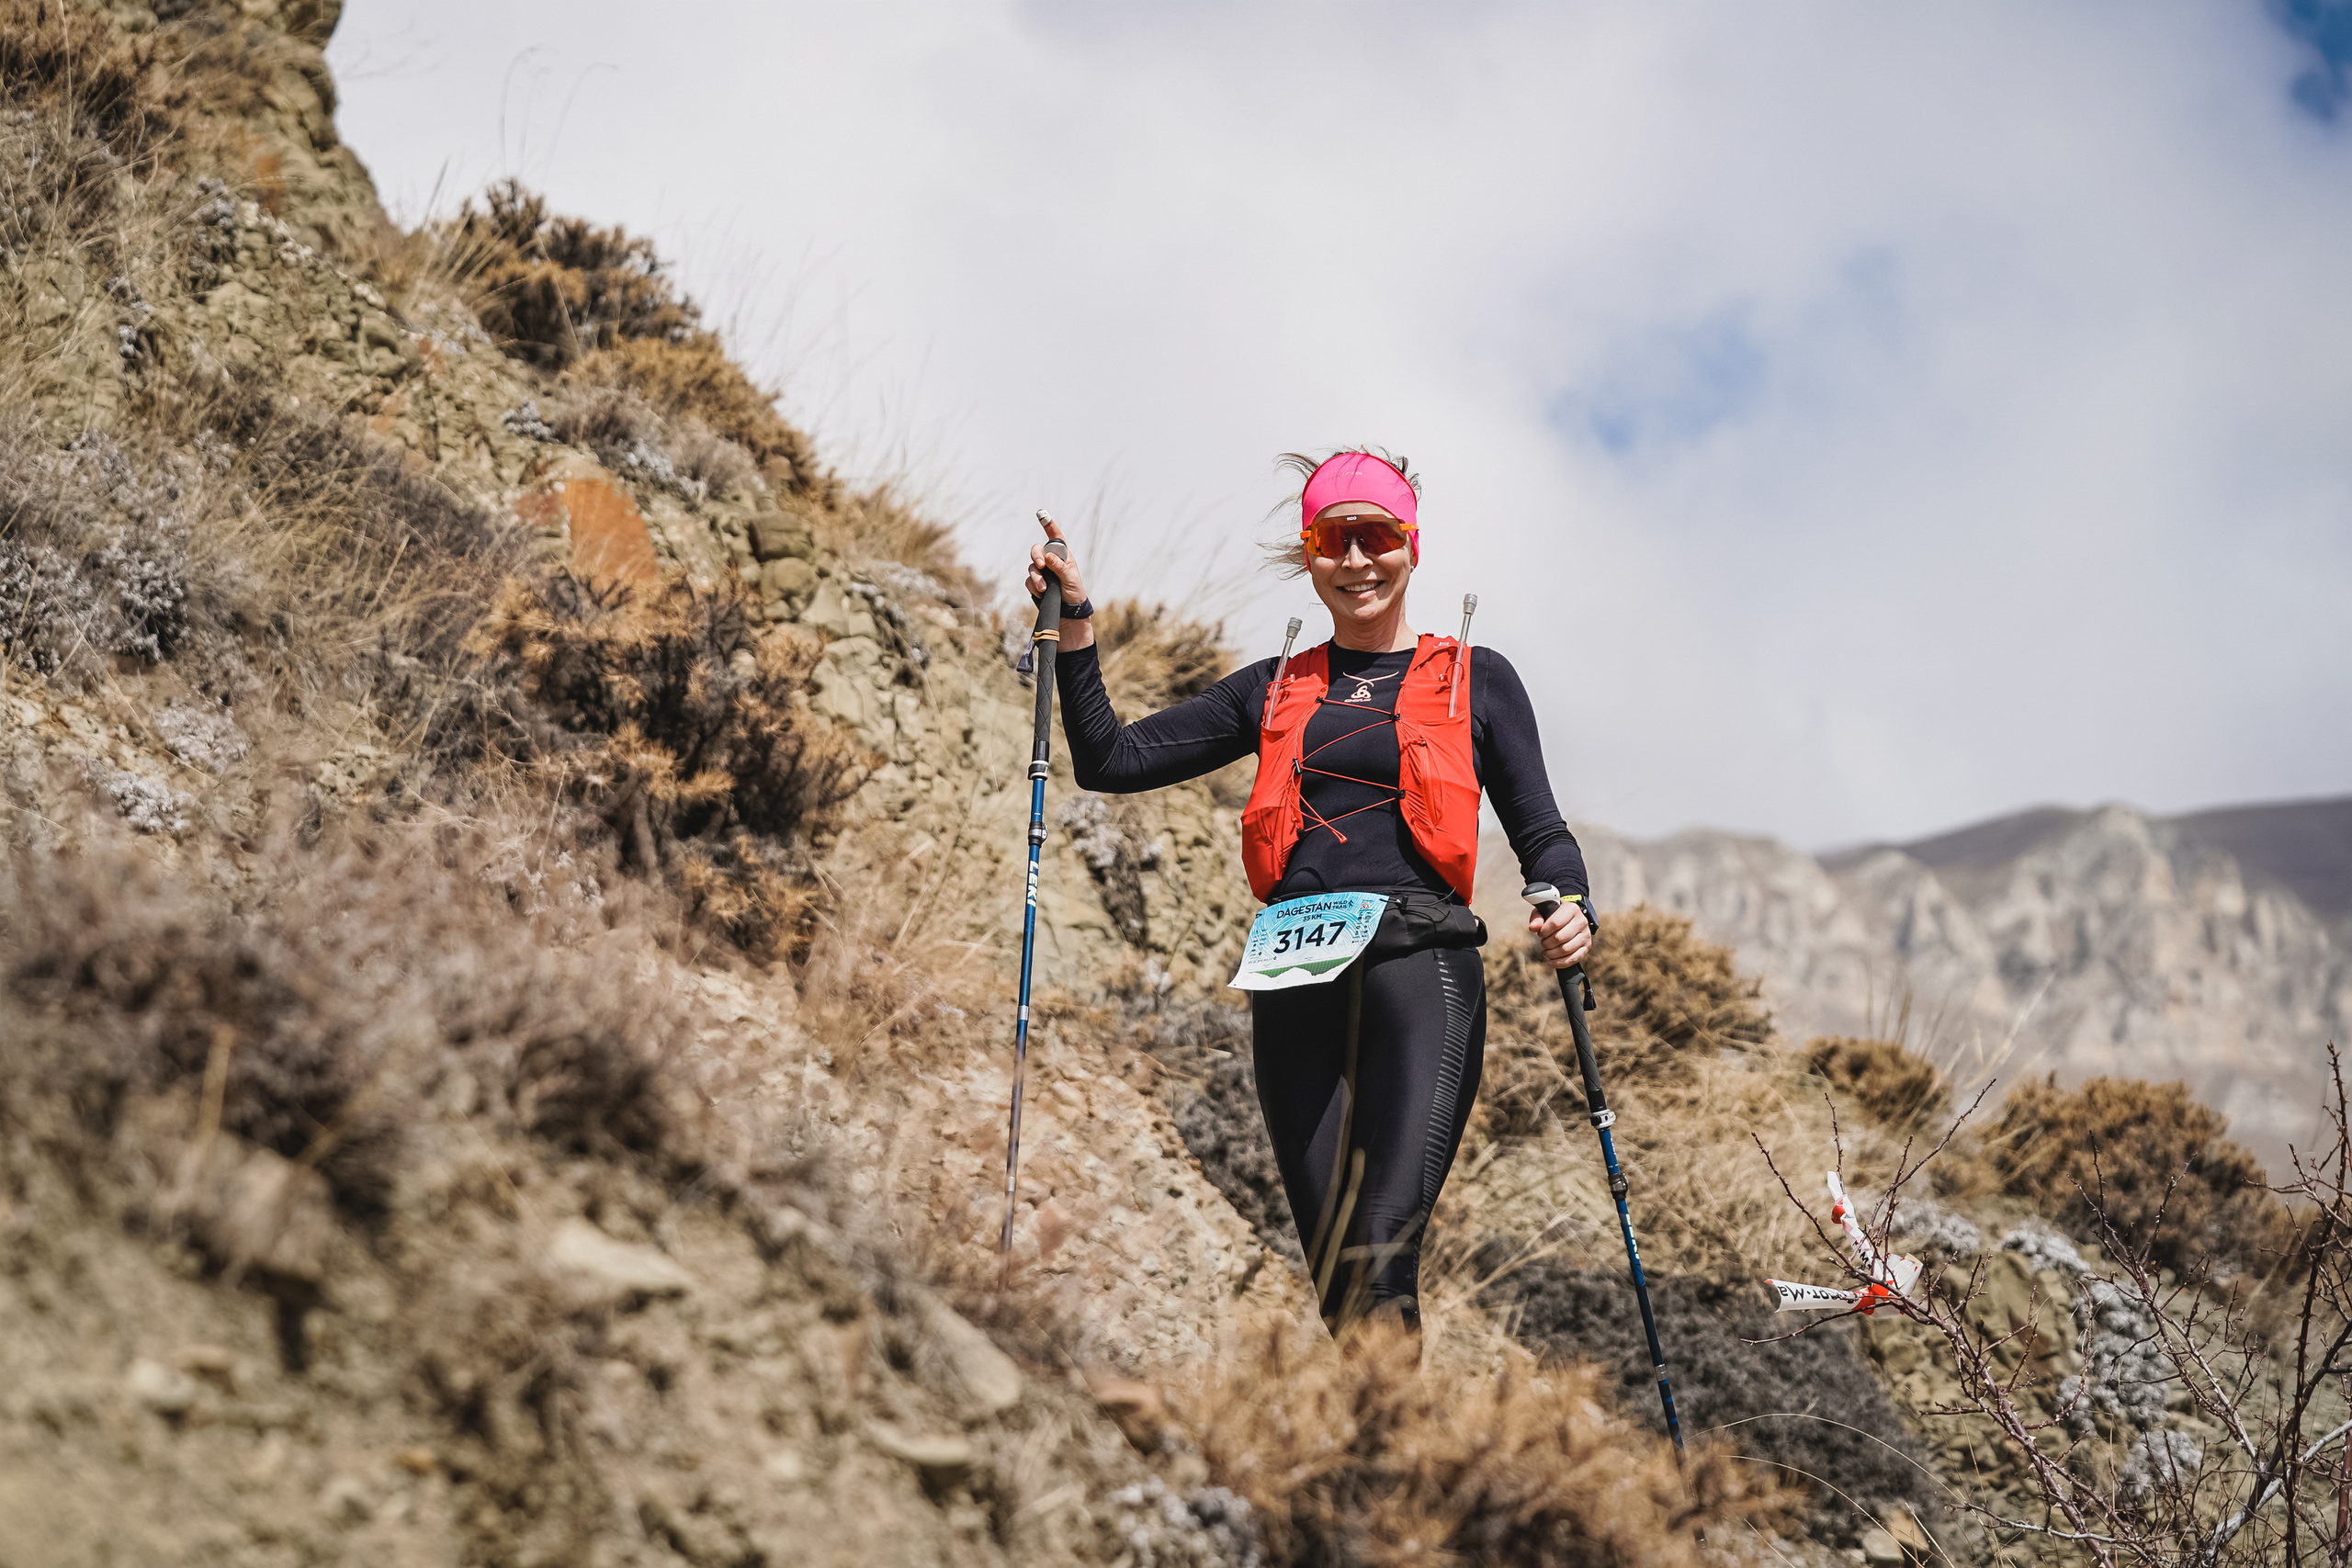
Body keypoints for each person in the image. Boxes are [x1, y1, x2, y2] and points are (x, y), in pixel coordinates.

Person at [1024, 448, 1595, 1333]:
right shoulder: (1273, 687)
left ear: (1412, 546)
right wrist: (1079, 631)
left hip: (1421, 967)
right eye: (1334, 539)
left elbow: (1542, 829)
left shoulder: (1478, 679)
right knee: (1337, 1280)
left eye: (1377, 536)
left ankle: (1401, 1469)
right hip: (1295, 979)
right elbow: (1111, 758)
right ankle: (1380, 1460)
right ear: (1310, 554)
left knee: (1378, 1250)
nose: (1357, 559)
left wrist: (1569, 902)